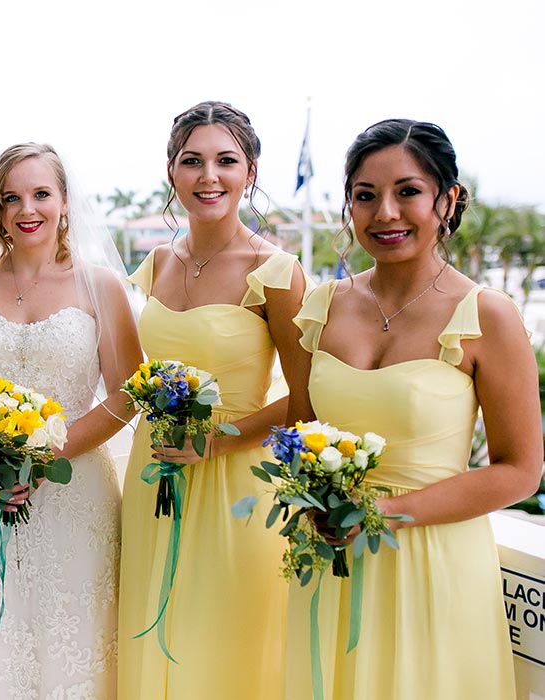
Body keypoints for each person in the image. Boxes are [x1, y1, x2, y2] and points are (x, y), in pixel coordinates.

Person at [284, 119, 542, 699]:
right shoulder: (323, 306)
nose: (386, 214)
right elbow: (299, 429)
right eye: (365, 196)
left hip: (433, 563)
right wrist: (315, 502)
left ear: (446, 200)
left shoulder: (488, 315)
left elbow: (520, 471)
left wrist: (383, 513)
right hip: (329, 557)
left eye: (408, 191)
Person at [0, 142, 142, 698]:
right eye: (12, 198)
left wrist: (47, 455)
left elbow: (126, 396)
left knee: (73, 640)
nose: (28, 210)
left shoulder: (100, 286)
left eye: (41, 194)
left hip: (77, 493)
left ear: (66, 202)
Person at [117, 101, 308, 698]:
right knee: (154, 631)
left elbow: (307, 399)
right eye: (192, 160)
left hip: (234, 480)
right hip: (154, 473)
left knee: (223, 644)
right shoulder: (155, 264)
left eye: (227, 161)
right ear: (171, 172)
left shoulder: (274, 271)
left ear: (250, 172)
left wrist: (215, 440)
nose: (209, 176)